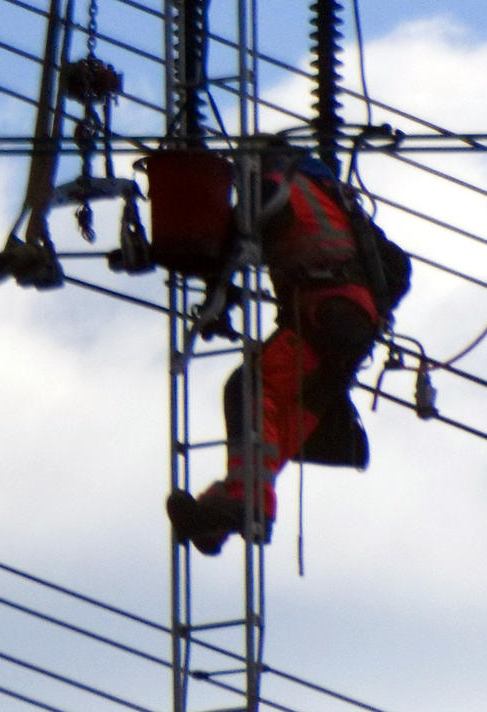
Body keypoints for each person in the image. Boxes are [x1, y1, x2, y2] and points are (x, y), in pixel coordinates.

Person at [168, 146, 403, 555]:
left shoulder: (279, 187)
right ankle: (226, 510)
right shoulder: (340, 204)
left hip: (323, 316)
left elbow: (237, 235)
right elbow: (398, 268)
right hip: (351, 330)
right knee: (284, 419)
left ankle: (243, 500)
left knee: (249, 387)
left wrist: (216, 290)